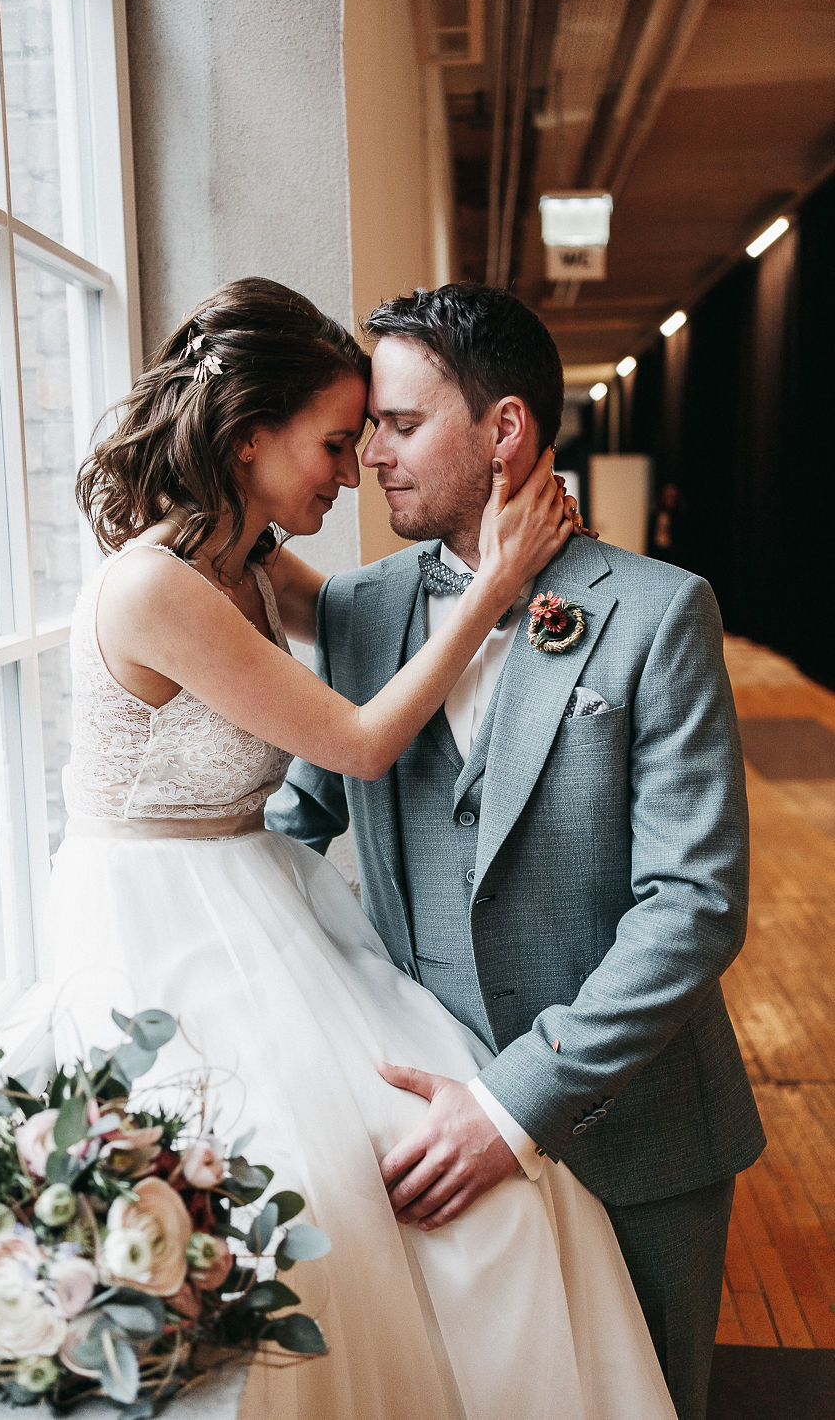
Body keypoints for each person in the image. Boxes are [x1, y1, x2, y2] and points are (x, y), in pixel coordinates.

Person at [50, 276, 675, 1418]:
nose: (354, 472)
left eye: (383, 432)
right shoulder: (156, 587)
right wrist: (493, 586)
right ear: (248, 440)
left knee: (454, 1203)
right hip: (166, 932)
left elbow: (361, 622)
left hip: (266, 908)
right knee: (297, 1220)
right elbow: (356, 741)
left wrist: (507, 581)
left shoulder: (249, 562)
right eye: (341, 442)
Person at [267, 282, 766, 1420]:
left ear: (504, 431)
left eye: (399, 424)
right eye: (366, 432)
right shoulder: (352, 613)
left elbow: (691, 903)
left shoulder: (656, 612)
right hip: (417, 1140)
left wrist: (510, 1109)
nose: (369, 460)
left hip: (635, 1142)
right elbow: (299, 824)